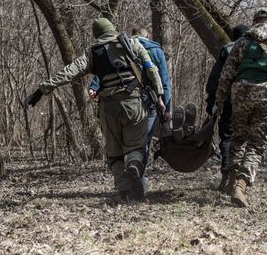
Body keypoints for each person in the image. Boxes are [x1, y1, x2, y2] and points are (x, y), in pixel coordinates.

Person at [26, 18, 165, 200]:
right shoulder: (132, 43)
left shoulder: (93, 52)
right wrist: (160, 95)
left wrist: (42, 89)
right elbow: (151, 69)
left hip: (108, 107)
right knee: (136, 147)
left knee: (114, 153)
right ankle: (134, 167)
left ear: (96, 34)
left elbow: (70, 71)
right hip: (134, 103)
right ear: (112, 29)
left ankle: (124, 190)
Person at [211, 8, 267, 207]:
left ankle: (232, 179)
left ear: (253, 22)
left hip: (241, 93)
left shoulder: (242, 42)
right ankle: (241, 184)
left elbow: (226, 75)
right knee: (257, 143)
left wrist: (218, 102)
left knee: (239, 138)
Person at [89, 27, 172, 182]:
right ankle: (138, 178)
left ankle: (128, 178)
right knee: (142, 141)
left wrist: (94, 86)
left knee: (124, 142)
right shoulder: (155, 50)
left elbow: (106, 69)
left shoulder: (121, 45)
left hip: (129, 98)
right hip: (151, 100)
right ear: (147, 35)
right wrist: (166, 107)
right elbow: (165, 81)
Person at [205, 24, 249, 191]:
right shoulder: (257, 48)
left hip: (231, 99)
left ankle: (226, 176)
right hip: (254, 100)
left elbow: (216, 77)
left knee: (228, 137)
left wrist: (213, 103)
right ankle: (242, 179)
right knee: (247, 139)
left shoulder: (228, 49)